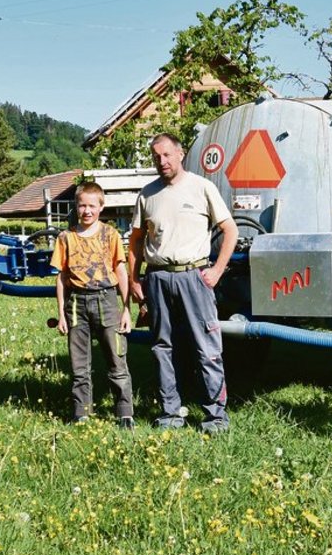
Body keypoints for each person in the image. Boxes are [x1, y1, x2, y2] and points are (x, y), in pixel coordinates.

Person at [128, 133, 238, 433]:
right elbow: (136, 241)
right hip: (158, 278)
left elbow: (230, 230)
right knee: (163, 347)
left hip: (195, 276)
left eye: (166, 155)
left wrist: (216, 270)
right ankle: (170, 414)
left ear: (180, 154)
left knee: (206, 347)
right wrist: (135, 280)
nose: (161, 162)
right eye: (155, 157)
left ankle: (215, 416)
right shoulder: (147, 194)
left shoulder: (202, 187)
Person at [51, 181, 135, 427]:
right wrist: (61, 313)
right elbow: (62, 277)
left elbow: (120, 270)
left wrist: (126, 309)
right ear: (76, 207)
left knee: (116, 359)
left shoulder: (110, 235)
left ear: (101, 206)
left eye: (91, 206)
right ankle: (81, 413)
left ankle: (124, 413)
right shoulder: (66, 237)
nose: (86, 211)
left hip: (106, 300)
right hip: (76, 303)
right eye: (81, 206)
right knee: (79, 365)